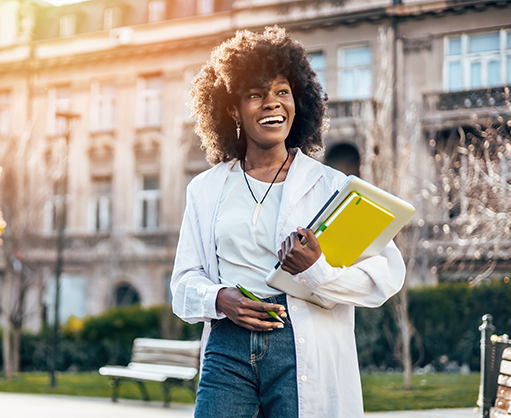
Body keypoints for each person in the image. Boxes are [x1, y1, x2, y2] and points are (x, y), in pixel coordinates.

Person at [170, 26, 406, 417]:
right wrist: (218, 298)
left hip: (301, 345)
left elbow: (384, 278)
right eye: (255, 94)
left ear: (298, 103)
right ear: (232, 110)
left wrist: (317, 271)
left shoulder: (333, 186)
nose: (271, 104)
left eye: (282, 92)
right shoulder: (205, 189)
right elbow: (182, 283)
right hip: (227, 345)